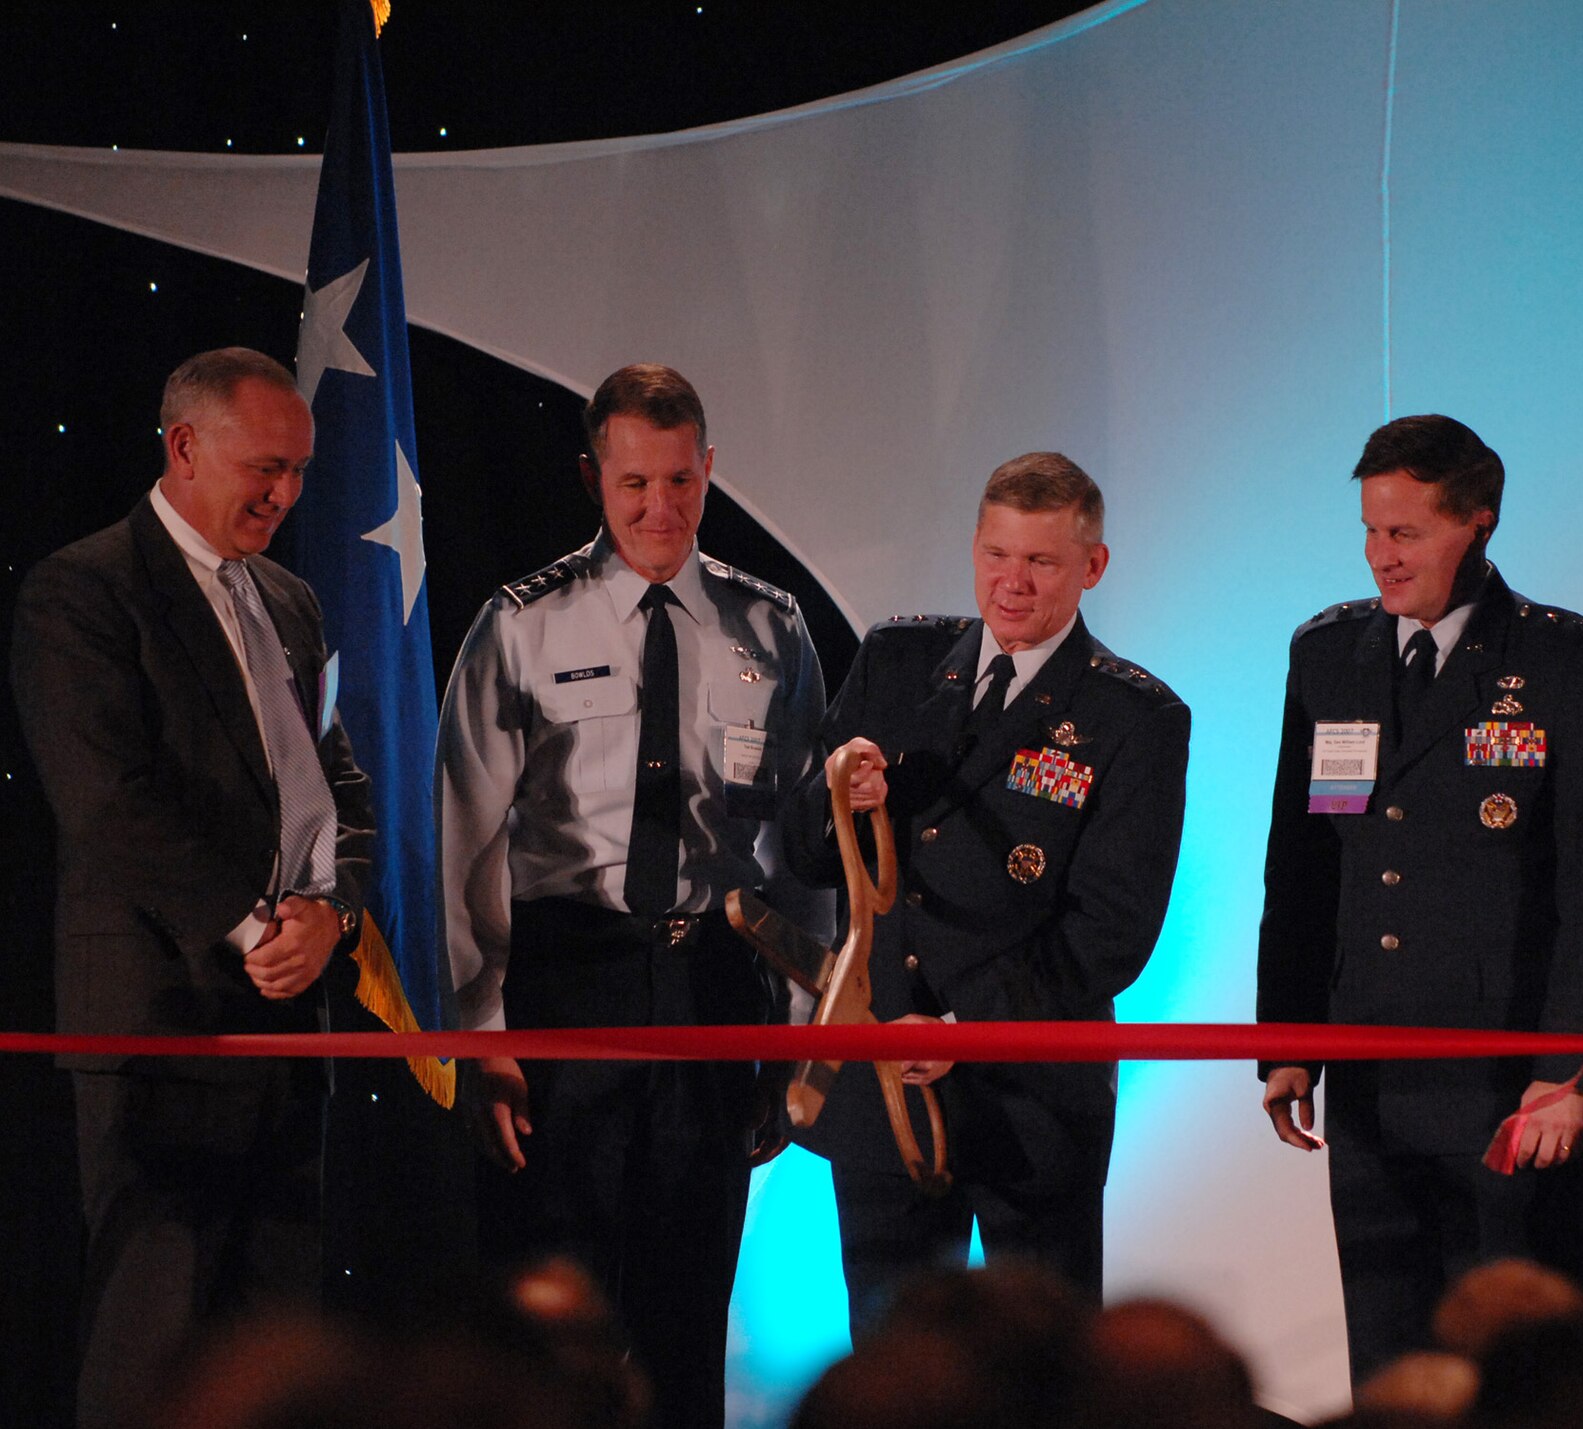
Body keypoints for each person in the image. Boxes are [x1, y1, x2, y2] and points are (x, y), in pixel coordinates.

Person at [436, 363, 827, 1429]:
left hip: (712, 980)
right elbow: (462, 842)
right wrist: (480, 1034)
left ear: (708, 471)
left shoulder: (768, 626)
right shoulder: (522, 624)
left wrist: (801, 1030)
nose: (660, 509)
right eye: (633, 485)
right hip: (567, 979)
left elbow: (798, 847)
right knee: (552, 1315)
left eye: (679, 482)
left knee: (686, 1308)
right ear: (590, 479)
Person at [9, 347, 374, 1429]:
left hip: (284, 1025)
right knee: (149, 1351)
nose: (287, 495)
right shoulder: (82, 589)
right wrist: (256, 923)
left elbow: (338, 778)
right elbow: (108, 802)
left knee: (273, 1357)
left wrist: (333, 912)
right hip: (157, 1026)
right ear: (183, 447)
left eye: (301, 471)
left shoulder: (292, 603)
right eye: (267, 466)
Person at [1256, 414, 1583, 1385]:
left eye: (1403, 533)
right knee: (1388, 1356)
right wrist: (1285, 1041)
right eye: (1367, 530)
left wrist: (1568, 1068)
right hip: (1365, 1068)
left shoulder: (1568, 660)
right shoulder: (1326, 652)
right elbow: (1300, 868)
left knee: (1520, 1366)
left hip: (1507, 1081)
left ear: (1475, 522)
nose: (1377, 556)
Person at [783, 452, 1189, 1332]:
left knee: (1044, 1378)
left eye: (1040, 562)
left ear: (1094, 566)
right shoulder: (897, 659)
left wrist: (968, 1031)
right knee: (894, 1371)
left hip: (1030, 1102)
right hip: (883, 1080)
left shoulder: (1137, 717)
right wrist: (835, 805)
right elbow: (804, 855)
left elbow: (1111, 934)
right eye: (996, 554)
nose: (1011, 583)